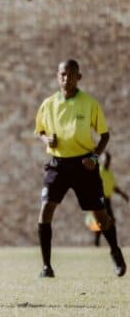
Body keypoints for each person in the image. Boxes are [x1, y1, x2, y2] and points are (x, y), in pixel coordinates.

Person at [34, 59, 125, 278]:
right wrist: (47, 140)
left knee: (100, 217)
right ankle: (46, 267)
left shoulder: (90, 103)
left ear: (79, 77)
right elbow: (39, 131)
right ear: (58, 76)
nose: (66, 79)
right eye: (62, 75)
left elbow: (104, 135)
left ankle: (115, 252)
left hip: (84, 165)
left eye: (71, 75)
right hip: (57, 165)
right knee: (45, 210)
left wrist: (94, 157)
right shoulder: (48, 104)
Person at [94, 151, 129, 247]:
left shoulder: (109, 173)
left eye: (108, 159)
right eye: (105, 159)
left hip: (107, 200)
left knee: (111, 220)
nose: (106, 161)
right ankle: (97, 241)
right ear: (102, 160)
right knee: (101, 220)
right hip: (100, 199)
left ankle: (111, 241)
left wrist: (123, 195)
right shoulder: (98, 171)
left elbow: (114, 187)